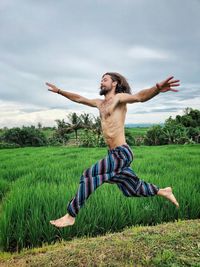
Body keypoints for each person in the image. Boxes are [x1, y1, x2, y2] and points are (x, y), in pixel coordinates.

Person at [46, 72, 180, 228]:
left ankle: (70, 215)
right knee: (131, 188)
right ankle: (163, 191)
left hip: (121, 153)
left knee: (89, 175)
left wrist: (157, 88)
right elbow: (79, 98)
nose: (101, 83)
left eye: (105, 80)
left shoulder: (119, 98)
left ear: (114, 83)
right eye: (101, 80)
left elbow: (139, 97)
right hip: (113, 154)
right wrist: (60, 91)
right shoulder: (100, 103)